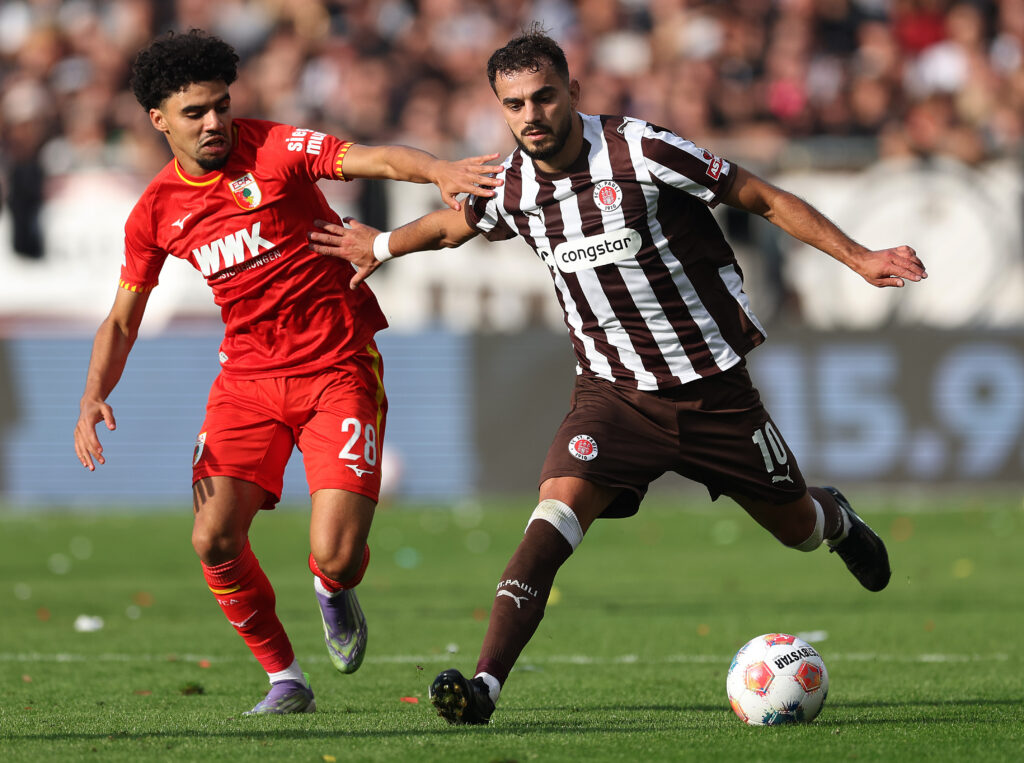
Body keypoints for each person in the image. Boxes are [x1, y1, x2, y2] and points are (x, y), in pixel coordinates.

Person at [307, 26, 927, 726]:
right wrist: (385, 244)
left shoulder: (642, 150)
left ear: (573, 91)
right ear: (500, 108)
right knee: (551, 520)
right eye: (514, 104)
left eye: (544, 96)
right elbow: (456, 226)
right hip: (613, 396)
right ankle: (484, 687)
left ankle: (837, 519)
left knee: (798, 528)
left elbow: (758, 195)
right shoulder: (511, 184)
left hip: (713, 389)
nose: (531, 115)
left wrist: (859, 257)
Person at [71, 29, 501, 716]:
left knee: (336, 555)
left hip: (337, 366)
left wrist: (439, 170)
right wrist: (94, 395)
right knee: (212, 537)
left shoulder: (275, 147)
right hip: (246, 383)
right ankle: (285, 678)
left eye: (221, 105)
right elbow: (122, 318)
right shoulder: (155, 211)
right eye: (195, 112)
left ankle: (332, 588)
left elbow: (374, 158)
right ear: (158, 120)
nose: (214, 122)